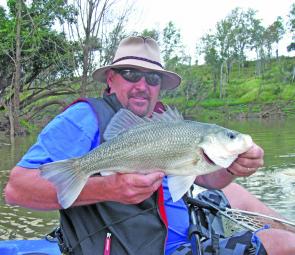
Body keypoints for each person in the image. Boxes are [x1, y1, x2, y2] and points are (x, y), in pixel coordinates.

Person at [4, 36, 295, 255]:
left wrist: (233, 167)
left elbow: (206, 178)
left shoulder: (160, 119)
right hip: (151, 248)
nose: (142, 85)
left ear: (160, 86)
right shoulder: (83, 119)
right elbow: (16, 189)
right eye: (131, 74)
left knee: (235, 191)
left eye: (153, 78)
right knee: (285, 244)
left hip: (183, 226)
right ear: (111, 78)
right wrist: (109, 188)